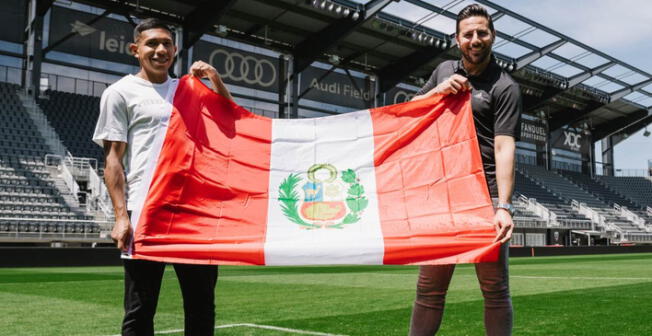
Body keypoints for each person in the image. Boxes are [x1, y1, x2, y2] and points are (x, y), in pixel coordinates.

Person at [92, 18, 232, 336]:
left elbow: (230, 120)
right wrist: (120, 217)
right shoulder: (120, 93)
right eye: (152, 43)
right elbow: (113, 159)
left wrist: (214, 78)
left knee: (201, 306)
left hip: (195, 213)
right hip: (146, 211)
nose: (160, 50)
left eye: (166, 43)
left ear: (175, 49)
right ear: (135, 49)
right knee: (140, 308)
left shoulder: (188, 89)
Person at [408, 4, 521, 336]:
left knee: (494, 290)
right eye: (468, 34)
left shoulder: (505, 86)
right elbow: (410, 112)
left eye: (482, 33)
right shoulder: (444, 70)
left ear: (493, 37)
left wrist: (503, 205)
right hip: (444, 194)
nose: (475, 39)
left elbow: (504, 147)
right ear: (457, 39)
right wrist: (436, 91)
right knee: (429, 290)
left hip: (483, 197)